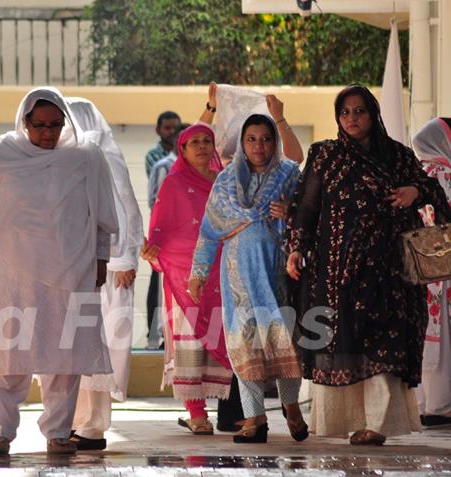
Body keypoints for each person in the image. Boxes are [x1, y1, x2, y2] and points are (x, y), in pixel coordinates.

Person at [286, 84, 451, 445]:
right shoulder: (324, 156)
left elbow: (432, 190)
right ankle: (348, 421)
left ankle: (376, 423)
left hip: (391, 271)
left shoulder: (398, 155)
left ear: (372, 114)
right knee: (345, 343)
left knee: (386, 346)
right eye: (344, 113)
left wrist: (415, 192)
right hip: (337, 272)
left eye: (358, 111)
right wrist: (296, 249)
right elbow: (305, 208)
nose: (351, 119)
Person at [0, 87, 118, 456]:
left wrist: (100, 258)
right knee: (5, 355)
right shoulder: (1, 155)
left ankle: (59, 432)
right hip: (11, 273)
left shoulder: (85, 157)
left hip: (71, 270)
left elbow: (102, 216)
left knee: (64, 355)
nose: (48, 134)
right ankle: (0, 432)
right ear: (24, 121)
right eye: (40, 126)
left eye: (55, 126)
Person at [189, 113, 306, 444]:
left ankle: (292, 407)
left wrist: (290, 214)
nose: (259, 146)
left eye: (266, 139)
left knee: (285, 341)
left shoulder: (287, 175)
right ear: (241, 143)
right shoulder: (226, 181)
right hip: (237, 273)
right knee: (245, 343)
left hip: (278, 270)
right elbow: (210, 232)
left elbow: (310, 216)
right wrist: (198, 272)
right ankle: (255, 418)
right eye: (251, 139)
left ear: (275, 142)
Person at [141, 122, 232, 435]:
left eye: (207, 140)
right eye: (194, 142)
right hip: (185, 275)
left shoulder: (224, 181)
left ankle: (229, 410)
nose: (202, 146)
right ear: (182, 149)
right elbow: (163, 228)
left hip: (224, 272)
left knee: (223, 337)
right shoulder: (175, 182)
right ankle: (196, 413)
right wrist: (156, 251)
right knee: (191, 340)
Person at [66, 97, 144, 451]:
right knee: (69, 344)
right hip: (72, 267)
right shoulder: (61, 157)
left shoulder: (105, 155)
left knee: (99, 345)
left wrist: (125, 257)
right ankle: (68, 421)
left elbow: (126, 207)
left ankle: (93, 427)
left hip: (107, 268)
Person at [411, 117, 451, 427]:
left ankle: (426, 404)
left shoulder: (417, 176)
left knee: (428, 336)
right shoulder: (446, 176)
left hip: (424, 269)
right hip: (446, 270)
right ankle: (442, 405)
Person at [146, 111, 182, 349]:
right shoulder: (159, 162)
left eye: (174, 128)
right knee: (159, 288)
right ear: (159, 130)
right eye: (167, 128)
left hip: (190, 243)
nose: (170, 132)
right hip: (167, 239)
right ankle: (157, 336)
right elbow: (157, 202)